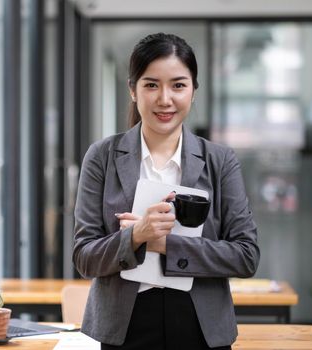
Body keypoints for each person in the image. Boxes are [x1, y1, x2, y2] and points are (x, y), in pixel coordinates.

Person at [72, 33, 260, 350]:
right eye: (151, 85)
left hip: (200, 326)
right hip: (124, 326)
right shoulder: (102, 156)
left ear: (193, 91)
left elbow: (246, 256)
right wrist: (135, 237)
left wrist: (165, 245)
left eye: (178, 85)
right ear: (132, 90)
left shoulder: (219, 160)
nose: (165, 99)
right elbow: (84, 258)